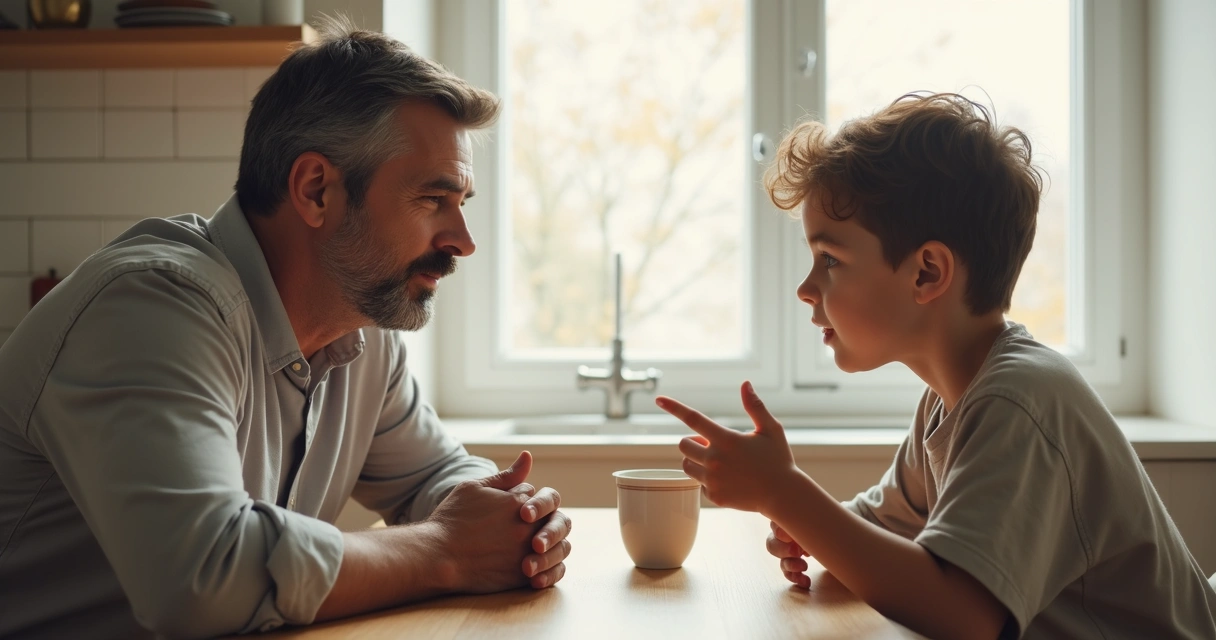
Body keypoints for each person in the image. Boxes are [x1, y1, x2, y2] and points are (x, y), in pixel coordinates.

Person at [0, 19, 571, 639]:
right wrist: (449, 549)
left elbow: (433, 475)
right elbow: (202, 578)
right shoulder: (152, 306)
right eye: (433, 200)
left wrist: (506, 515)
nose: (463, 241)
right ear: (316, 189)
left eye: (463, 203)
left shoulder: (361, 328)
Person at [656, 93, 1216, 639]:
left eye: (830, 259)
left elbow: (961, 616)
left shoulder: (1018, 401)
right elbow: (884, 526)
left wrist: (784, 493)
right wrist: (805, 527)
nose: (806, 288)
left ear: (927, 273)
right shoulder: (951, 400)